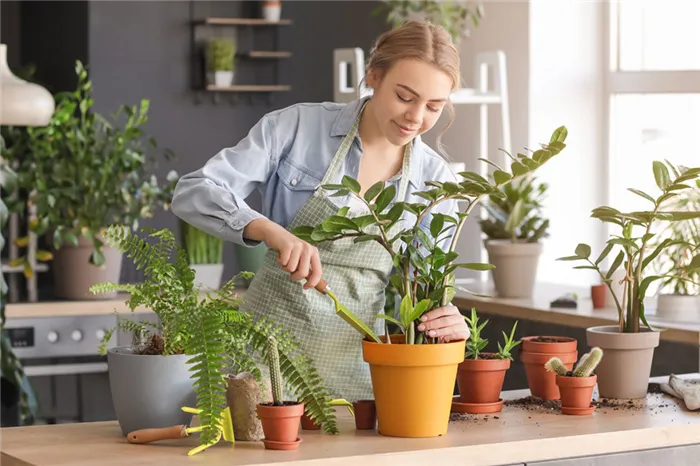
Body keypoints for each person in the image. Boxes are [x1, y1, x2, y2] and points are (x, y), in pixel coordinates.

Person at [172, 20, 469, 401]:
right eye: (405, 96)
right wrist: (268, 230)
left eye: (433, 106)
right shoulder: (296, 126)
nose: (416, 117)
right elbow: (194, 190)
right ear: (373, 77)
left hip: (359, 368)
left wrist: (447, 317)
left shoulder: (434, 179)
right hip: (265, 354)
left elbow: (427, 286)